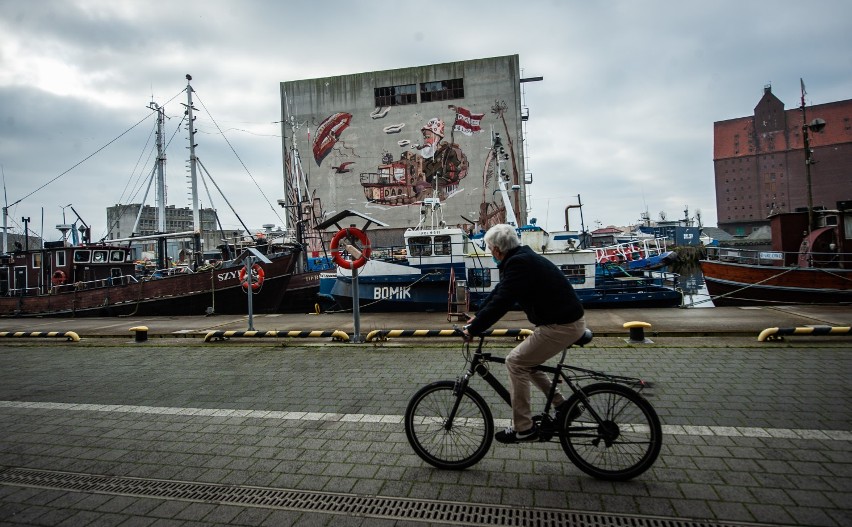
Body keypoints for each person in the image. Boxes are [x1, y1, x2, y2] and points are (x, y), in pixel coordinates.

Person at [462, 224, 586, 444]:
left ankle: (524, 428)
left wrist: (474, 329)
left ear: (498, 250)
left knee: (515, 362)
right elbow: (501, 291)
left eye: (490, 249)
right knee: (527, 362)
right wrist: (478, 317)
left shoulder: (519, 264)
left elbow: (503, 302)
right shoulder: (521, 258)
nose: (491, 253)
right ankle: (563, 404)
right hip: (561, 322)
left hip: (561, 325)